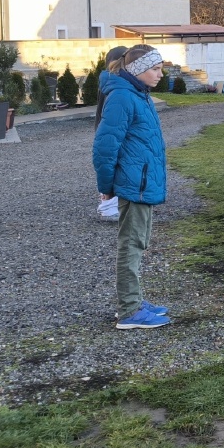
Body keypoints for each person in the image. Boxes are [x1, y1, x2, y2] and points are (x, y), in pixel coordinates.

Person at [93, 45, 172, 328]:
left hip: (142, 183)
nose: (160, 75)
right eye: (155, 69)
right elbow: (104, 147)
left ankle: (134, 300)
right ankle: (129, 311)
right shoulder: (123, 97)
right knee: (131, 244)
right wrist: (107, 187)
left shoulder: (139, 94)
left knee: (139, 242)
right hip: (133, 185)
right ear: (138, 70)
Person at [93, 45, 129, 221]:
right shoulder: (114, 84)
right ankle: (108, 204)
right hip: (112, 130)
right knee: (111, 166)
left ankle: (110, 202)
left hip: (107, 128)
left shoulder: (108, 81)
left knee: (113, 166)